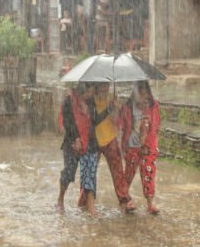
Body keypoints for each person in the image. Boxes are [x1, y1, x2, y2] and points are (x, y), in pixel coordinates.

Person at [118, 80, 161, 215]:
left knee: (148, 172)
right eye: (139, 94)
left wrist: (145, 141)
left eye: (145, 94)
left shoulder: (153, 106)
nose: (142, 98)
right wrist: (114, 109)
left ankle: (150, 203)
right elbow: (120, 125)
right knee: (129, 173)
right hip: (131, 145)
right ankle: (125, 200)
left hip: (148, 146)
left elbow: (155, 126)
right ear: (134, 94)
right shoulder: (127, 107)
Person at [56, 82, 99, 215]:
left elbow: (95, 120)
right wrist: (76, 139)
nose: (91, 94)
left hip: (89, 144)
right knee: (68, 173)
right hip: (72, 144)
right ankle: (60, 199)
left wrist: (109, 109)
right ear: (82, 92)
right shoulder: (68, 102)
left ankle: (91, 209)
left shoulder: (91, 102)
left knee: (90, 175)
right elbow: (68, 123)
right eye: (89, 92)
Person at [92, 83, 134, 212]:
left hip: (111, 138)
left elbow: (116, 120)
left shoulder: (111, 97)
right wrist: (108, 108)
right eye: (102, 86)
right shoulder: (90, 99)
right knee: (90, 173)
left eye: (107, 86)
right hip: (94, 140)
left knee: (118, 172)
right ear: (96, 86)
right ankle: (85, 202)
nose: (105, 88)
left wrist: (116, 109)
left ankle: (124, 200)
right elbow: (94, 120)